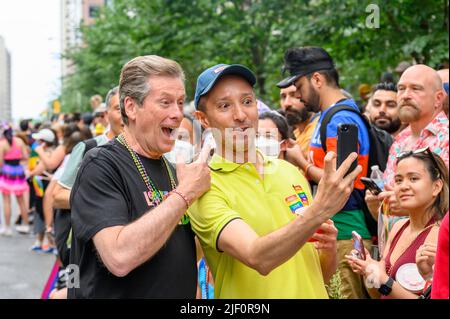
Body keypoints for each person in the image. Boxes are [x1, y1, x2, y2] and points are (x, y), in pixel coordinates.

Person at [189, 63, 362, 298]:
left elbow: (319, 274)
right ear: (204, 119)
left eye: (247, 102)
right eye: (224, 106)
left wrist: (329, 249)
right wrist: (320, 209)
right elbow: (258, 257)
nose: (240, 115)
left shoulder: (289, 172)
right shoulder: (205, 187)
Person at [68, 55, 211, 298]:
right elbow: (119, 258)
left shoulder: (173, 168)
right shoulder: (100, 164)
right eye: (165, 103)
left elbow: (181, 253)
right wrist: (185, 193)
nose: (177, 113)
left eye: (180, 102)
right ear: (131, 107)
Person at [277, 46, 372, 299]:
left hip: (345, 231)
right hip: (333, 230)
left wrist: (302, 164)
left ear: (317, 79)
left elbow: (344, 182)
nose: (296, 94)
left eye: (298, 86)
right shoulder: (327, 116)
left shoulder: (341, 120)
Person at [346, 148, 448, 299]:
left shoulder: (440, 234)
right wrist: (369, 271)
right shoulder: (398, 227)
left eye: (413, 178)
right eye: (398, 180)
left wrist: (383, 280)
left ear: (436, 187)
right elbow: (379, 294)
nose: (403, 186)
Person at [365, 65, 448, 220]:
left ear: (438, 98)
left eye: (416, 89)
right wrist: (378, 207)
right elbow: (393, 216)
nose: (405, 95)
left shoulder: (447, 138)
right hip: (397, 242)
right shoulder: (399, 140)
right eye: (401, 89)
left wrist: (407, 206)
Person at [53, 86, 123, 210]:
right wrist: (102, 200)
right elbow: (58, 196)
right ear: (106, 115)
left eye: (132, 107)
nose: (126, 114)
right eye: (119, 108)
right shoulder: (87, 148)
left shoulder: (151, 151)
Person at [0, 126, 30, 235]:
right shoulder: (20, 141)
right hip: (18, 171)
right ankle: (26, 225)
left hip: (7, 171)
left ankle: (7, 228)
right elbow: (26, 157)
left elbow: (0, 162)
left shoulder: (2, 144)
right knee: (21, 201)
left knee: (6, 201)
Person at [278, 84, 319, 157]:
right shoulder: (297, 131)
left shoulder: (318, 130)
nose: (286, 103)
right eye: (284, 97)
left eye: (294, 95)